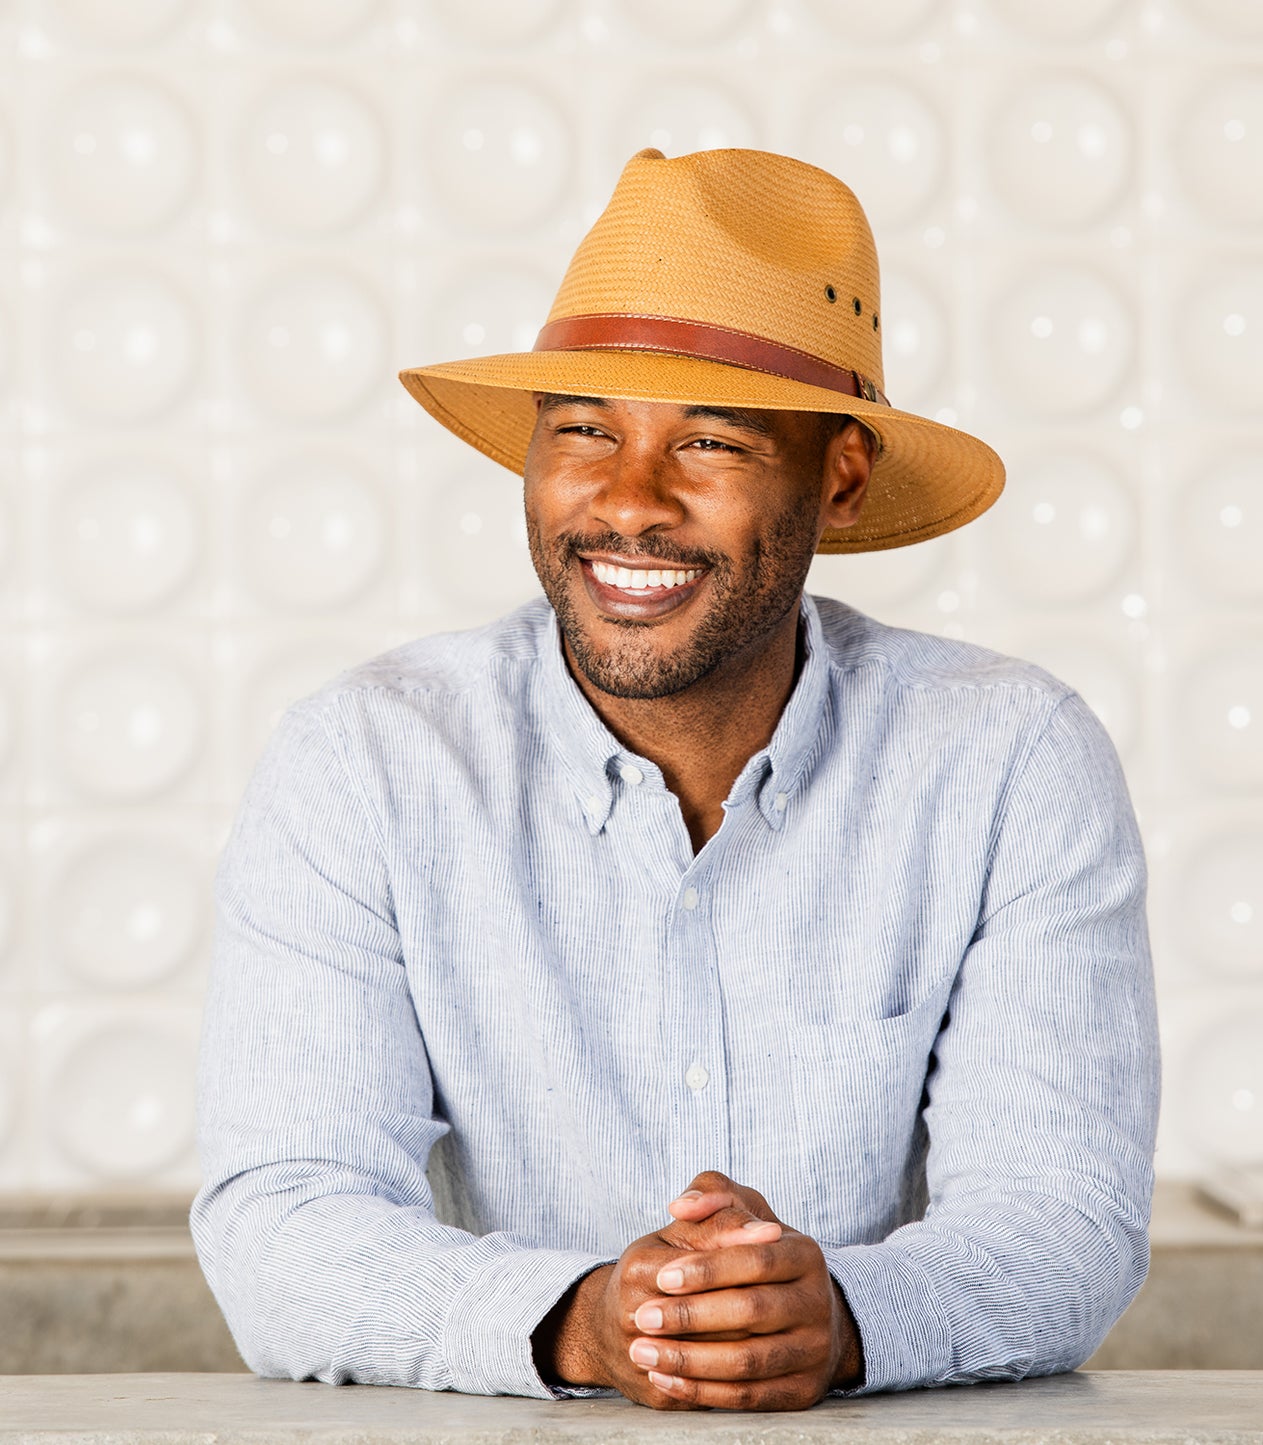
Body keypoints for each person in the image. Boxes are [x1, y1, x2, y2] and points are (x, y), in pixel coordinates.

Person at [190, 146, 1161, 1413]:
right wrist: (588, 1321)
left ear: (841, 479)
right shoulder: (368, 761)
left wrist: (849, 1316)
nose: (628, 503)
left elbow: (1061, 1218)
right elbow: (281, 1220)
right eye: (583, 429)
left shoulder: (1009, 761)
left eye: (709, 440)